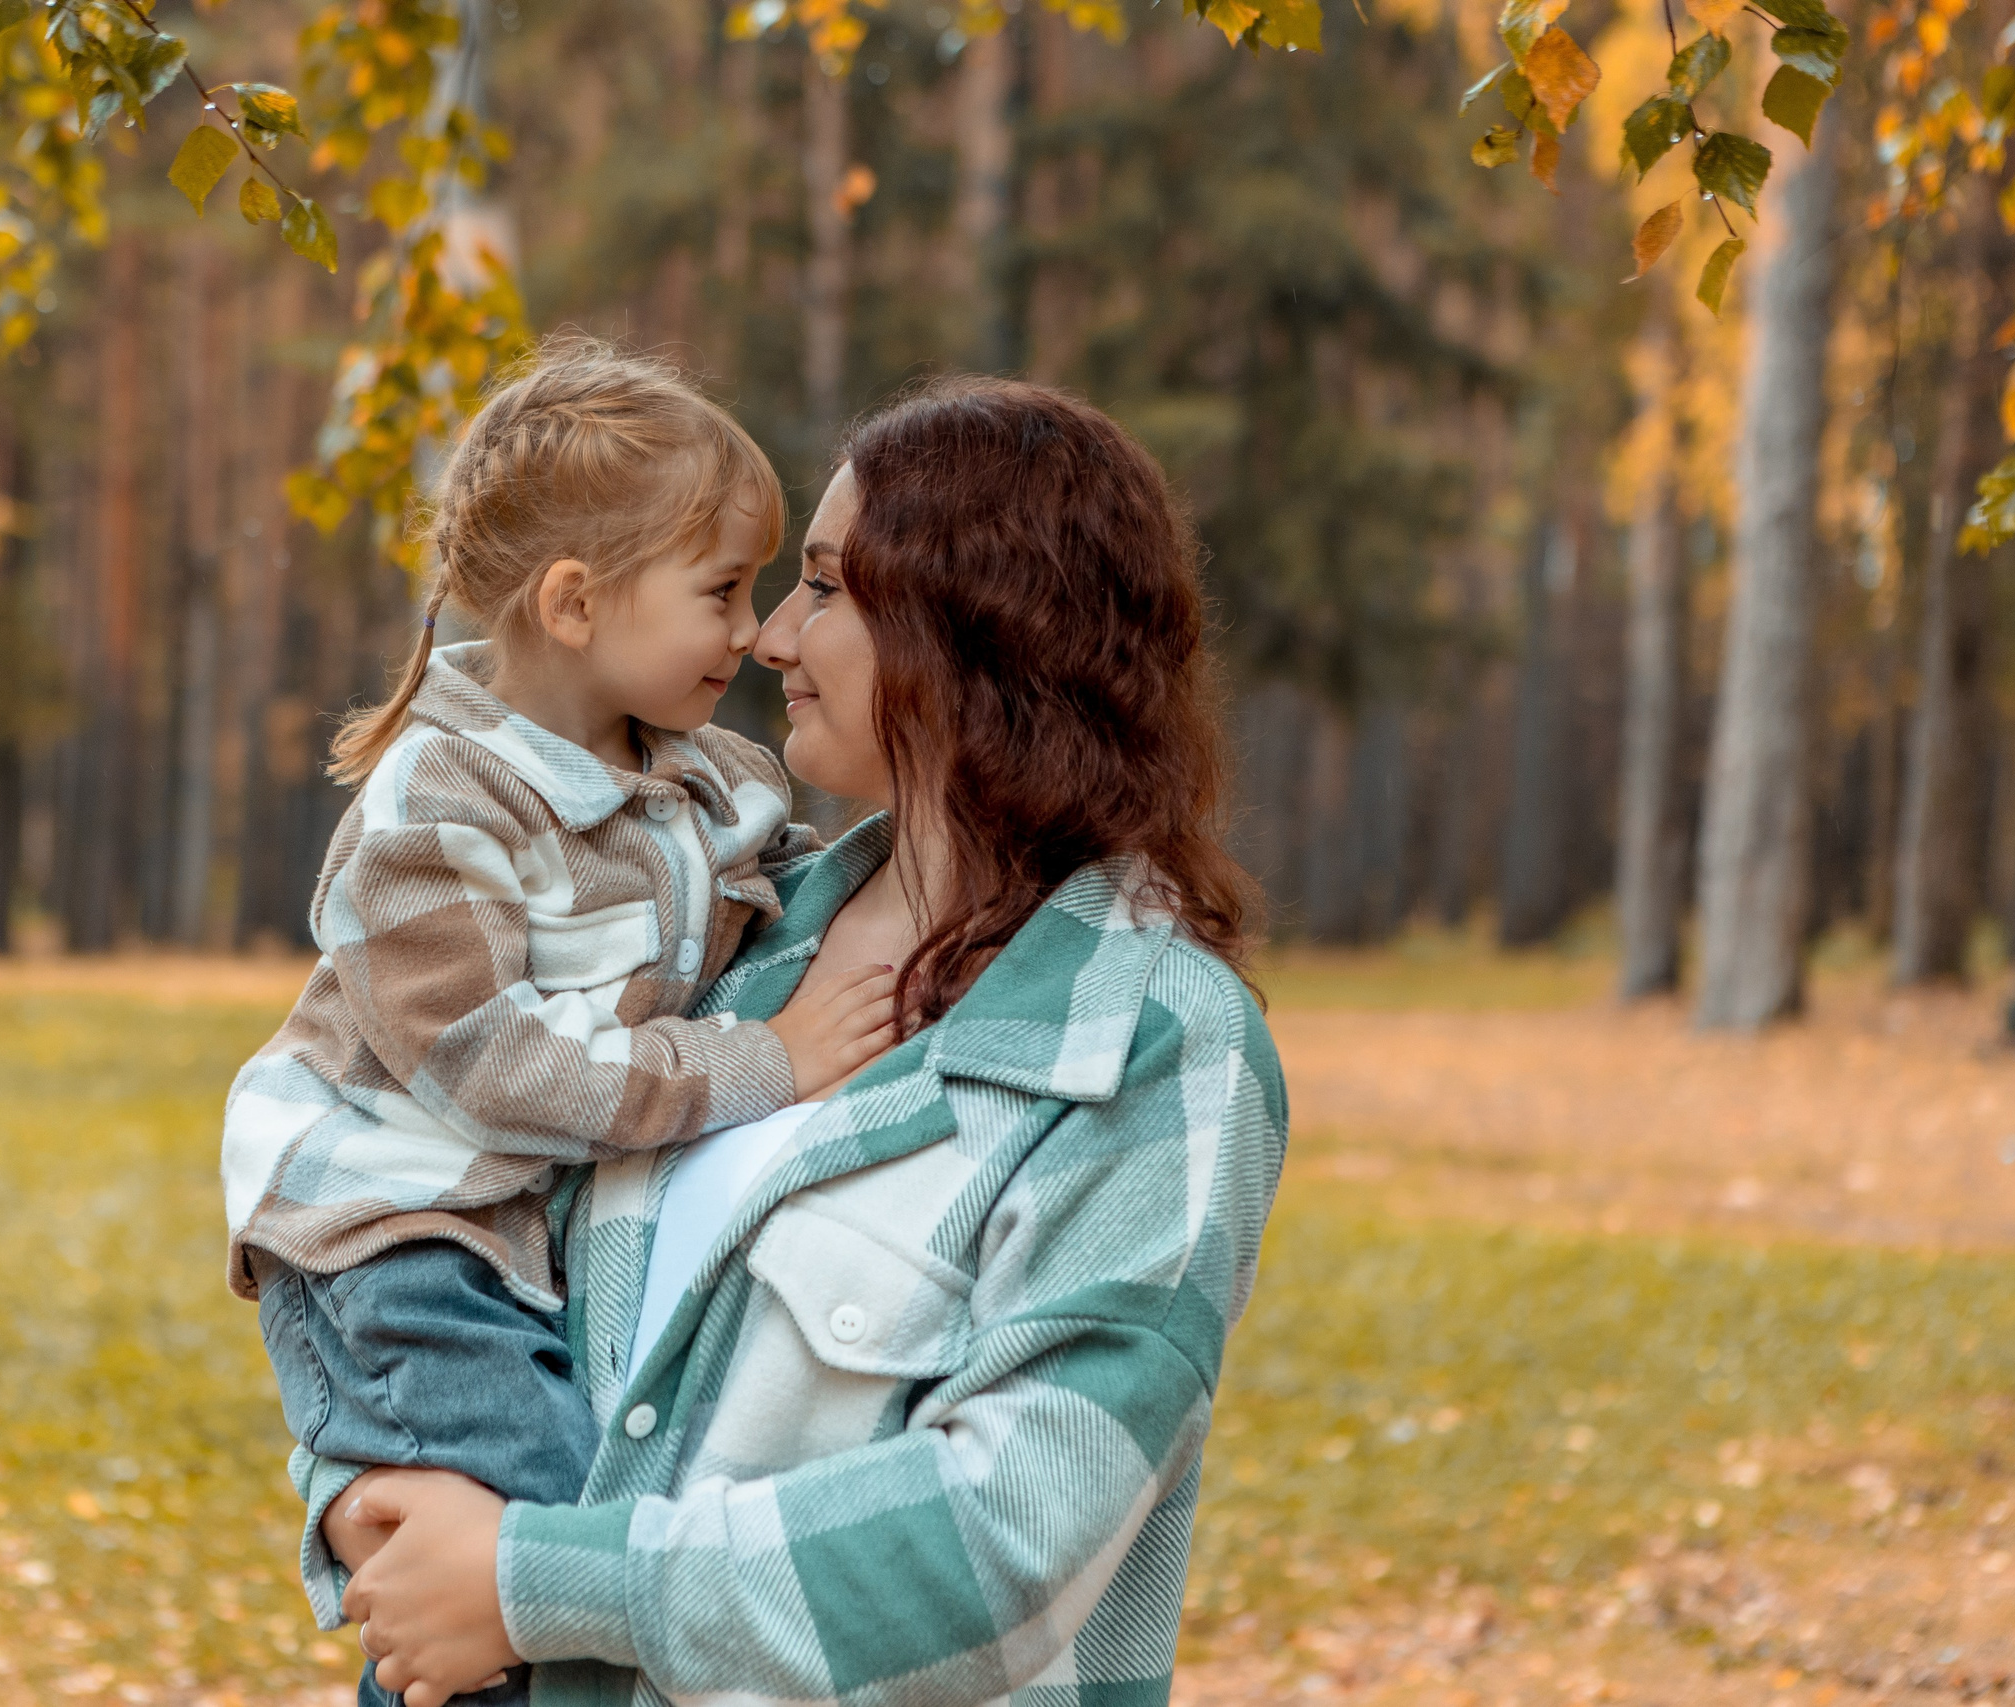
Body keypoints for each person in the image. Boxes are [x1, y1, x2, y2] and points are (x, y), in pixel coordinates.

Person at [317, 376, 1290, 1707]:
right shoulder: (727, 947)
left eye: (824, 587)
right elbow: (415, 1199)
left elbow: (1012, 1534)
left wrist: (535, 1580)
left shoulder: (1151, 1040)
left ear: (976, 629)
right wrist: (369, 1487)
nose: (771, 636)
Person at [218, 342, 902, 1707]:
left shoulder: (702, 783)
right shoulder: (435, 814)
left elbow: (766, 899)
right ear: (577, 604)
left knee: (541, 1550)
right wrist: (765, 1063)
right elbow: (498, 1071)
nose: (753, 633)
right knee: (529, 1540)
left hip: (512, 1235)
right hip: (397, 1241)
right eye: (722, 592)